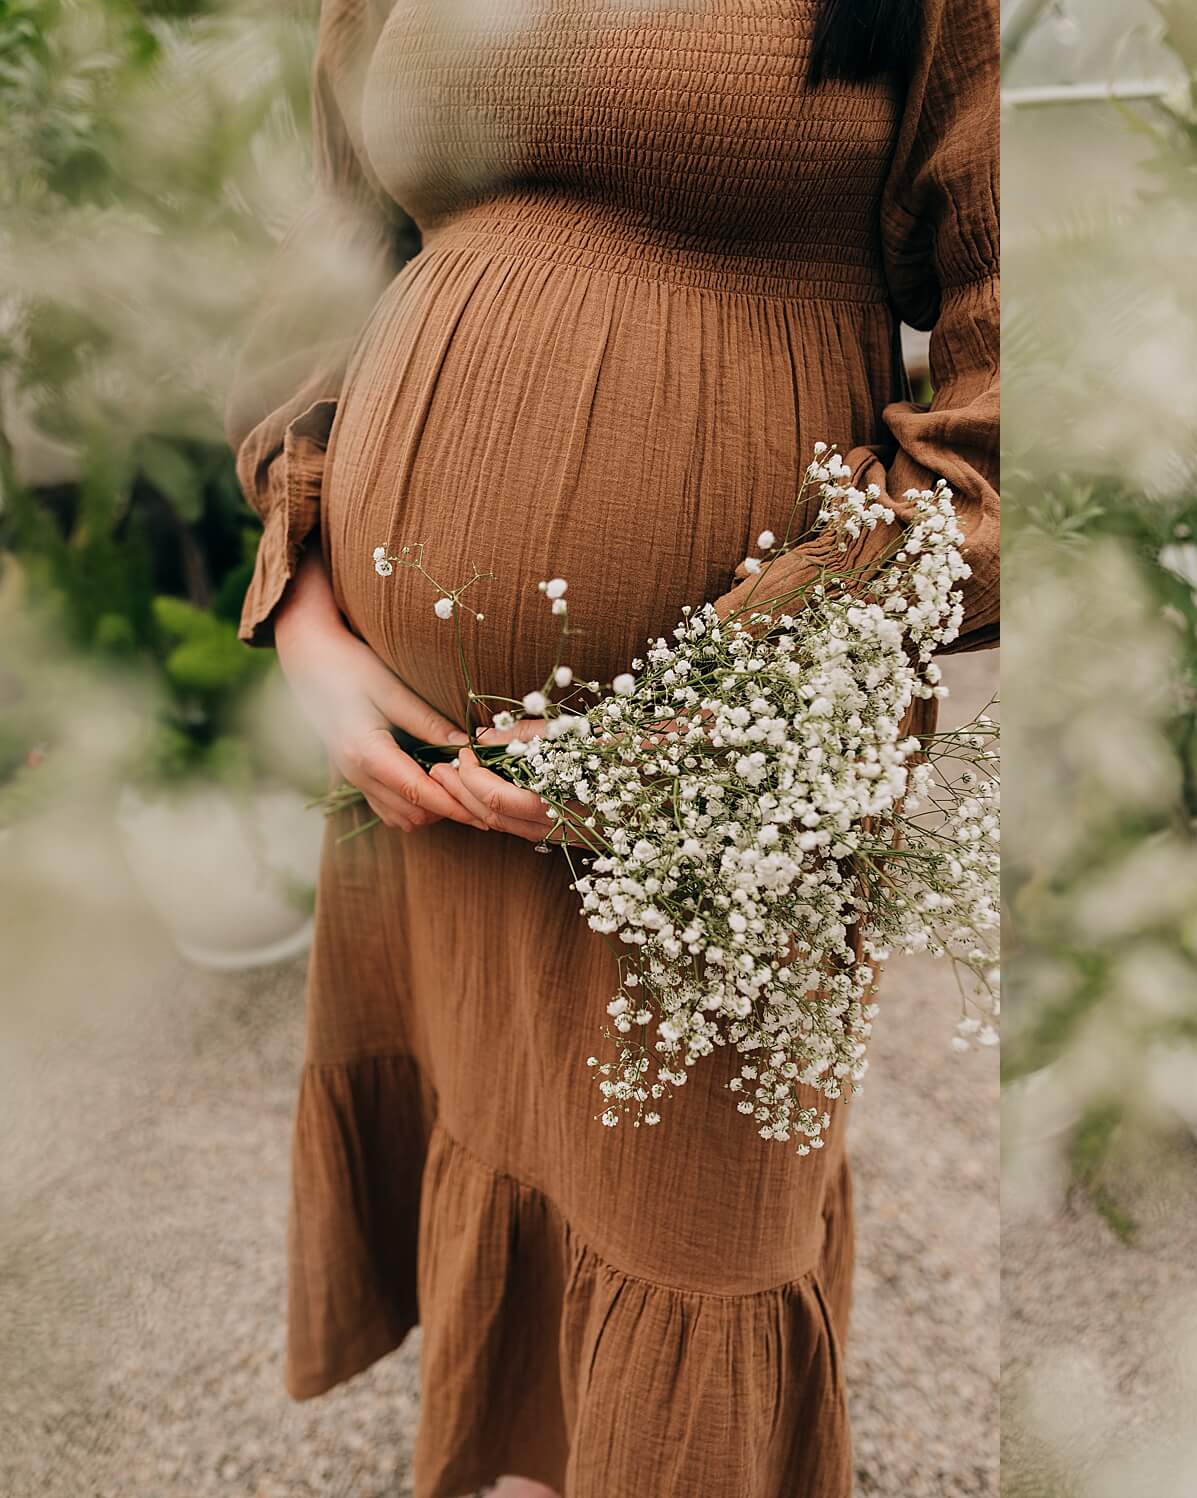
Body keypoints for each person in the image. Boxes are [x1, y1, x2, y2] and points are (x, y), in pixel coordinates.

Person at [223, 1, 998, 1494]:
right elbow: (332, 246)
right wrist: (311, 614)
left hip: (737, 782)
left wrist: (733, 702)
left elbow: (1006, 376)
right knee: (499, 1115)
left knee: (695, 1222)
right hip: (416, 759)